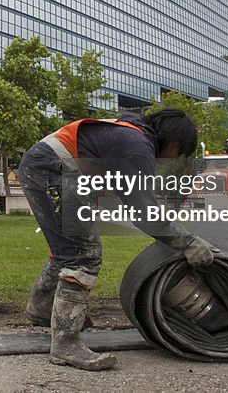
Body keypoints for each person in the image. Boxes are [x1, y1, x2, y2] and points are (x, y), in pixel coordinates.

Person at [18, 108, 216, 371]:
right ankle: (65, 344)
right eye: (179, 154)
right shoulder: (137, 145)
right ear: (175, 144)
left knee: (67, 250)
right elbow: (144, 213)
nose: (175, 159)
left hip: (45, 166)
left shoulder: (129, 135)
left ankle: (41, 309)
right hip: (53, 169)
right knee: (83, 255)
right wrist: (188, 242)